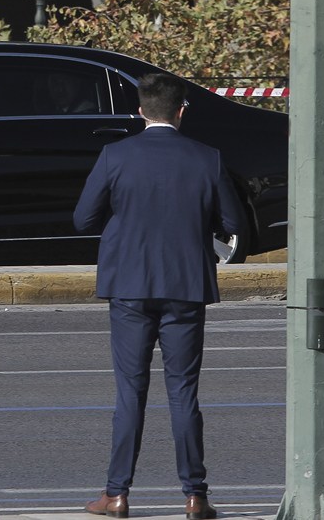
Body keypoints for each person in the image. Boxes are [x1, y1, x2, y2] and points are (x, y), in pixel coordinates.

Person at [72, 72, 247, 520]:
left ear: (140, 111)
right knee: (183, 391)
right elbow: (234, 222)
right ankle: (195, 496)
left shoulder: (116, 155)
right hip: (186, 286)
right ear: (181, 110)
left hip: (129, 285)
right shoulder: (206, 158)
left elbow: (84, 219)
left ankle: (117, 494)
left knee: (129, 392)